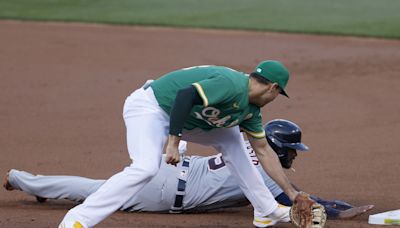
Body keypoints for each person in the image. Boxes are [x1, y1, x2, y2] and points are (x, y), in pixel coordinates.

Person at [50, 60, 302, 228]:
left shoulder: (251, 110)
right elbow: (184, 96)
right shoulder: (231, 85)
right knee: (145, 168)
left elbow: (263, 151)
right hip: (151, 108)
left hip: (194, 121)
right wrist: (173, 143)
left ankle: (266, 210)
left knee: (234, 141)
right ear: (273, 87)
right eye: (278, 94)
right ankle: (77, 219)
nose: (276, 98)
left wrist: (292, 193)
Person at [3, 119, 374, 221]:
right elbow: (300, 204)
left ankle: (34, 183)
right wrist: (343, 212)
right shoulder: (262, 171)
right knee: (95, 193)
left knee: (96, 187)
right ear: (276, 148)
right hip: (163, 191)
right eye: (291, 151)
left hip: (176, 172)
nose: (294, 157)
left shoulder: (252, 155)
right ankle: (23, 179)